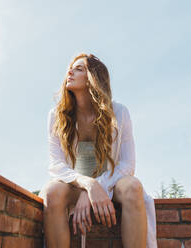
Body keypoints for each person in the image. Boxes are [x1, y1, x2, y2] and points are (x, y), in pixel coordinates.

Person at [39, 53, 157, 248]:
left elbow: (128, 165)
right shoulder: (56, 116)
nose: (69, 71)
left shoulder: (119, 113)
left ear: (93, 77)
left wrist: (96, 188)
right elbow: (56, 165)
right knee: (52, 191)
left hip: (111, 185)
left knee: (133, 187)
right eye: (71, 68)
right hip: (74, 185)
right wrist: (87, 185)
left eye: (79, 69)